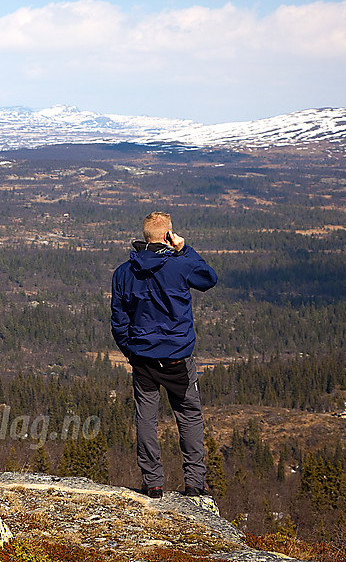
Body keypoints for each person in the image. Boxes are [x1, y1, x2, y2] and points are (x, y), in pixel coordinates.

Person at [110, 211, 218, 499]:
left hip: (143, 359)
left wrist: (131, 353)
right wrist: (185, 250)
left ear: (144, 237)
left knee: (146, 419)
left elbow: (119, 322)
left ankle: (153, 483)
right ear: (169, 236)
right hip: (177, 359)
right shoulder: (180, 267)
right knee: (189, 416)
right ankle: (195, 482)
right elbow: (209, 279)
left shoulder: (123, 273)